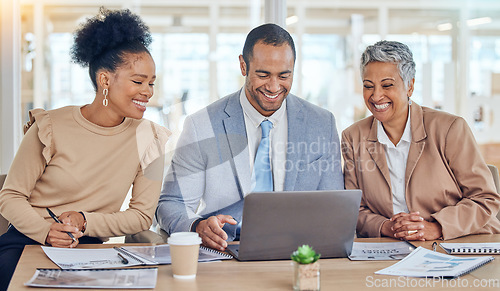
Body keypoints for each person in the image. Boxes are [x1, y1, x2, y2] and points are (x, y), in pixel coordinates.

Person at [0, 8, 170, 289]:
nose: (148, 91)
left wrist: (85, 221)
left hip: (89, 250)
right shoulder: (50, 126)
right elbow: (11, 196)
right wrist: (46, 231)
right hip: (27, 243)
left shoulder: (150, 138)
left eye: (151, 83)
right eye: (138, 82)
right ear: (105, 80)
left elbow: (141, 216)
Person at [156, 23, 344, 251]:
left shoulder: (321, 123)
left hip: (300, 252)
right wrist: (197, 225)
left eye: (284, 75)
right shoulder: (202, 125)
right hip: (226, 252)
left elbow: (334, 208)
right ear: (243, 66)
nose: (274, 87)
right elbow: (171, 203)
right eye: (263, 74)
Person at [342, 40, 500, 241]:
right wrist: (386, 227)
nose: (376, 95)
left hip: (456, 244)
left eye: (387, 85)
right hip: (391, 248)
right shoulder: (353, 137)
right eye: (368, 86)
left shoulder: (449, 129)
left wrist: (436, 228)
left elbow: (485, 199)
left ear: (410, 86)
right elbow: (354, 209)